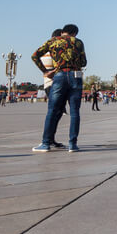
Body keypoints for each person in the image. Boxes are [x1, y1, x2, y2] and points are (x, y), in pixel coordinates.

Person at [31, 24, 87, 152]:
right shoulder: (78, 42)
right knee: (74, 112)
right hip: (75, 76)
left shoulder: (53, 41)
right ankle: (73, 144)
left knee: (52, 110)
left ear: (62, 32)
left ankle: (45, 143)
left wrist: (45, 71)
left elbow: (35, 56)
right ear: (74, 34)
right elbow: (84, 62)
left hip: (59, 76)